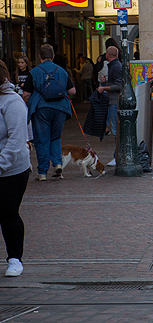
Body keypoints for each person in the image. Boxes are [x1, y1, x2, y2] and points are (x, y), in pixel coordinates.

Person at [21, 44, 76, 181]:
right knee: (55, 137)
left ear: (40, 57)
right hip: (60, 109)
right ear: (53, 56)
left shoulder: (34, 72)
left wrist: (26, 107)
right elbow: (72, 91)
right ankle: (57, 163)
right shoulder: (62, 71)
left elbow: (26, 94)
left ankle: (43, 172)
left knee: (41, 140)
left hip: (41, 108)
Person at [0, 60, 31, 277]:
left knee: (8, 213)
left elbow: (17, 139)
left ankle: (14, 259)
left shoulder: (13, 103)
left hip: (13, 169)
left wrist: (1, 163)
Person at [97, 46, 123, 139]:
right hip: (114, 100)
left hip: (115, 100)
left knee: (116, 128)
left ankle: (118, 152)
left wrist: (104, 88)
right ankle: (117, 151)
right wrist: (106, 82)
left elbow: (119, 85)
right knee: (115, 127)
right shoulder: (116, 65)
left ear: (107, 55)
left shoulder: (115, 66)